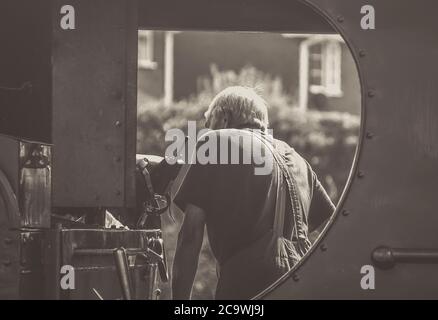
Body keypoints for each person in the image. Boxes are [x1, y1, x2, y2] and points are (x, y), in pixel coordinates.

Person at [172, 86, 335, 299]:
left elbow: (191, 235)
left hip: (245, 284)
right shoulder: (297, 159)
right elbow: (328, 226)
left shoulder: (216, 142)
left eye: (208, 122)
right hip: (301, 282)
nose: (206, 129)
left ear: (224, 118)